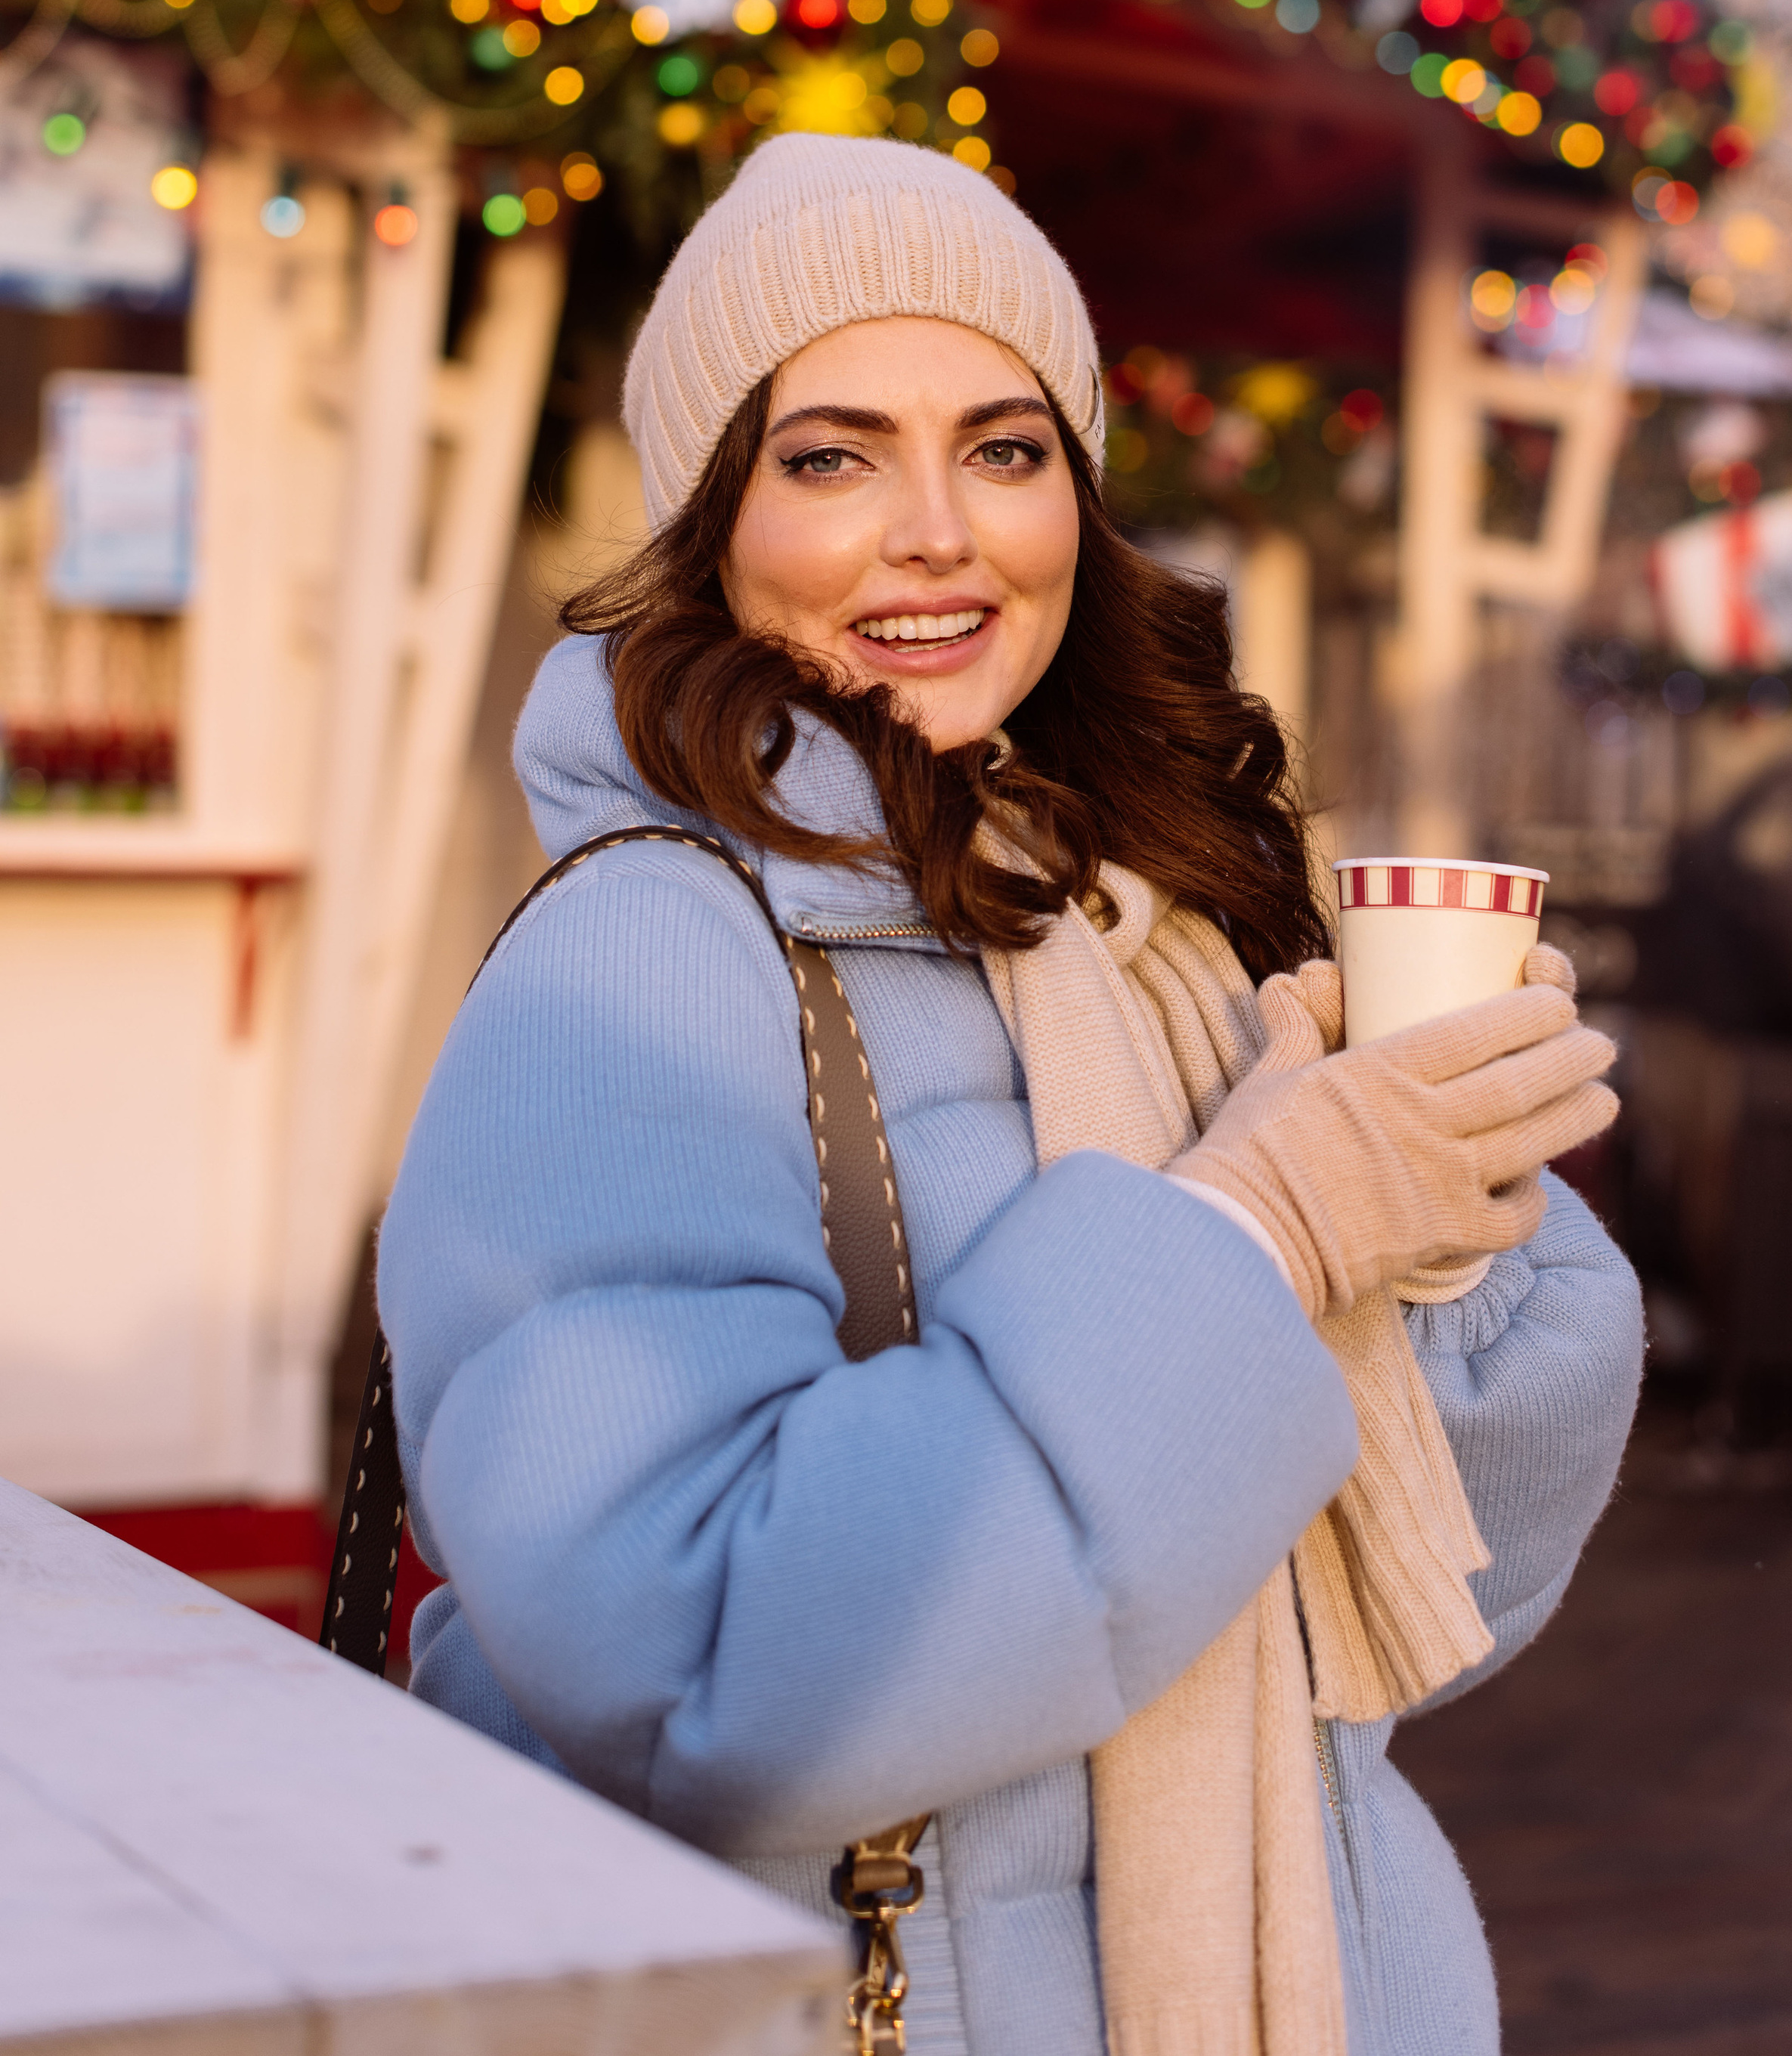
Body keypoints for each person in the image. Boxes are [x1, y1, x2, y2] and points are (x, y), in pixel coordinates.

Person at [380, 132, 1642, 2055]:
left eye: (1002, 447)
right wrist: (1257, 1229)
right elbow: (701, 1669)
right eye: (829, 458)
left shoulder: (1156, 924)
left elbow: (1400, 1613)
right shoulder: (644, 956)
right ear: (711, 521)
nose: (935, 531)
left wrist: (1445, 1211)